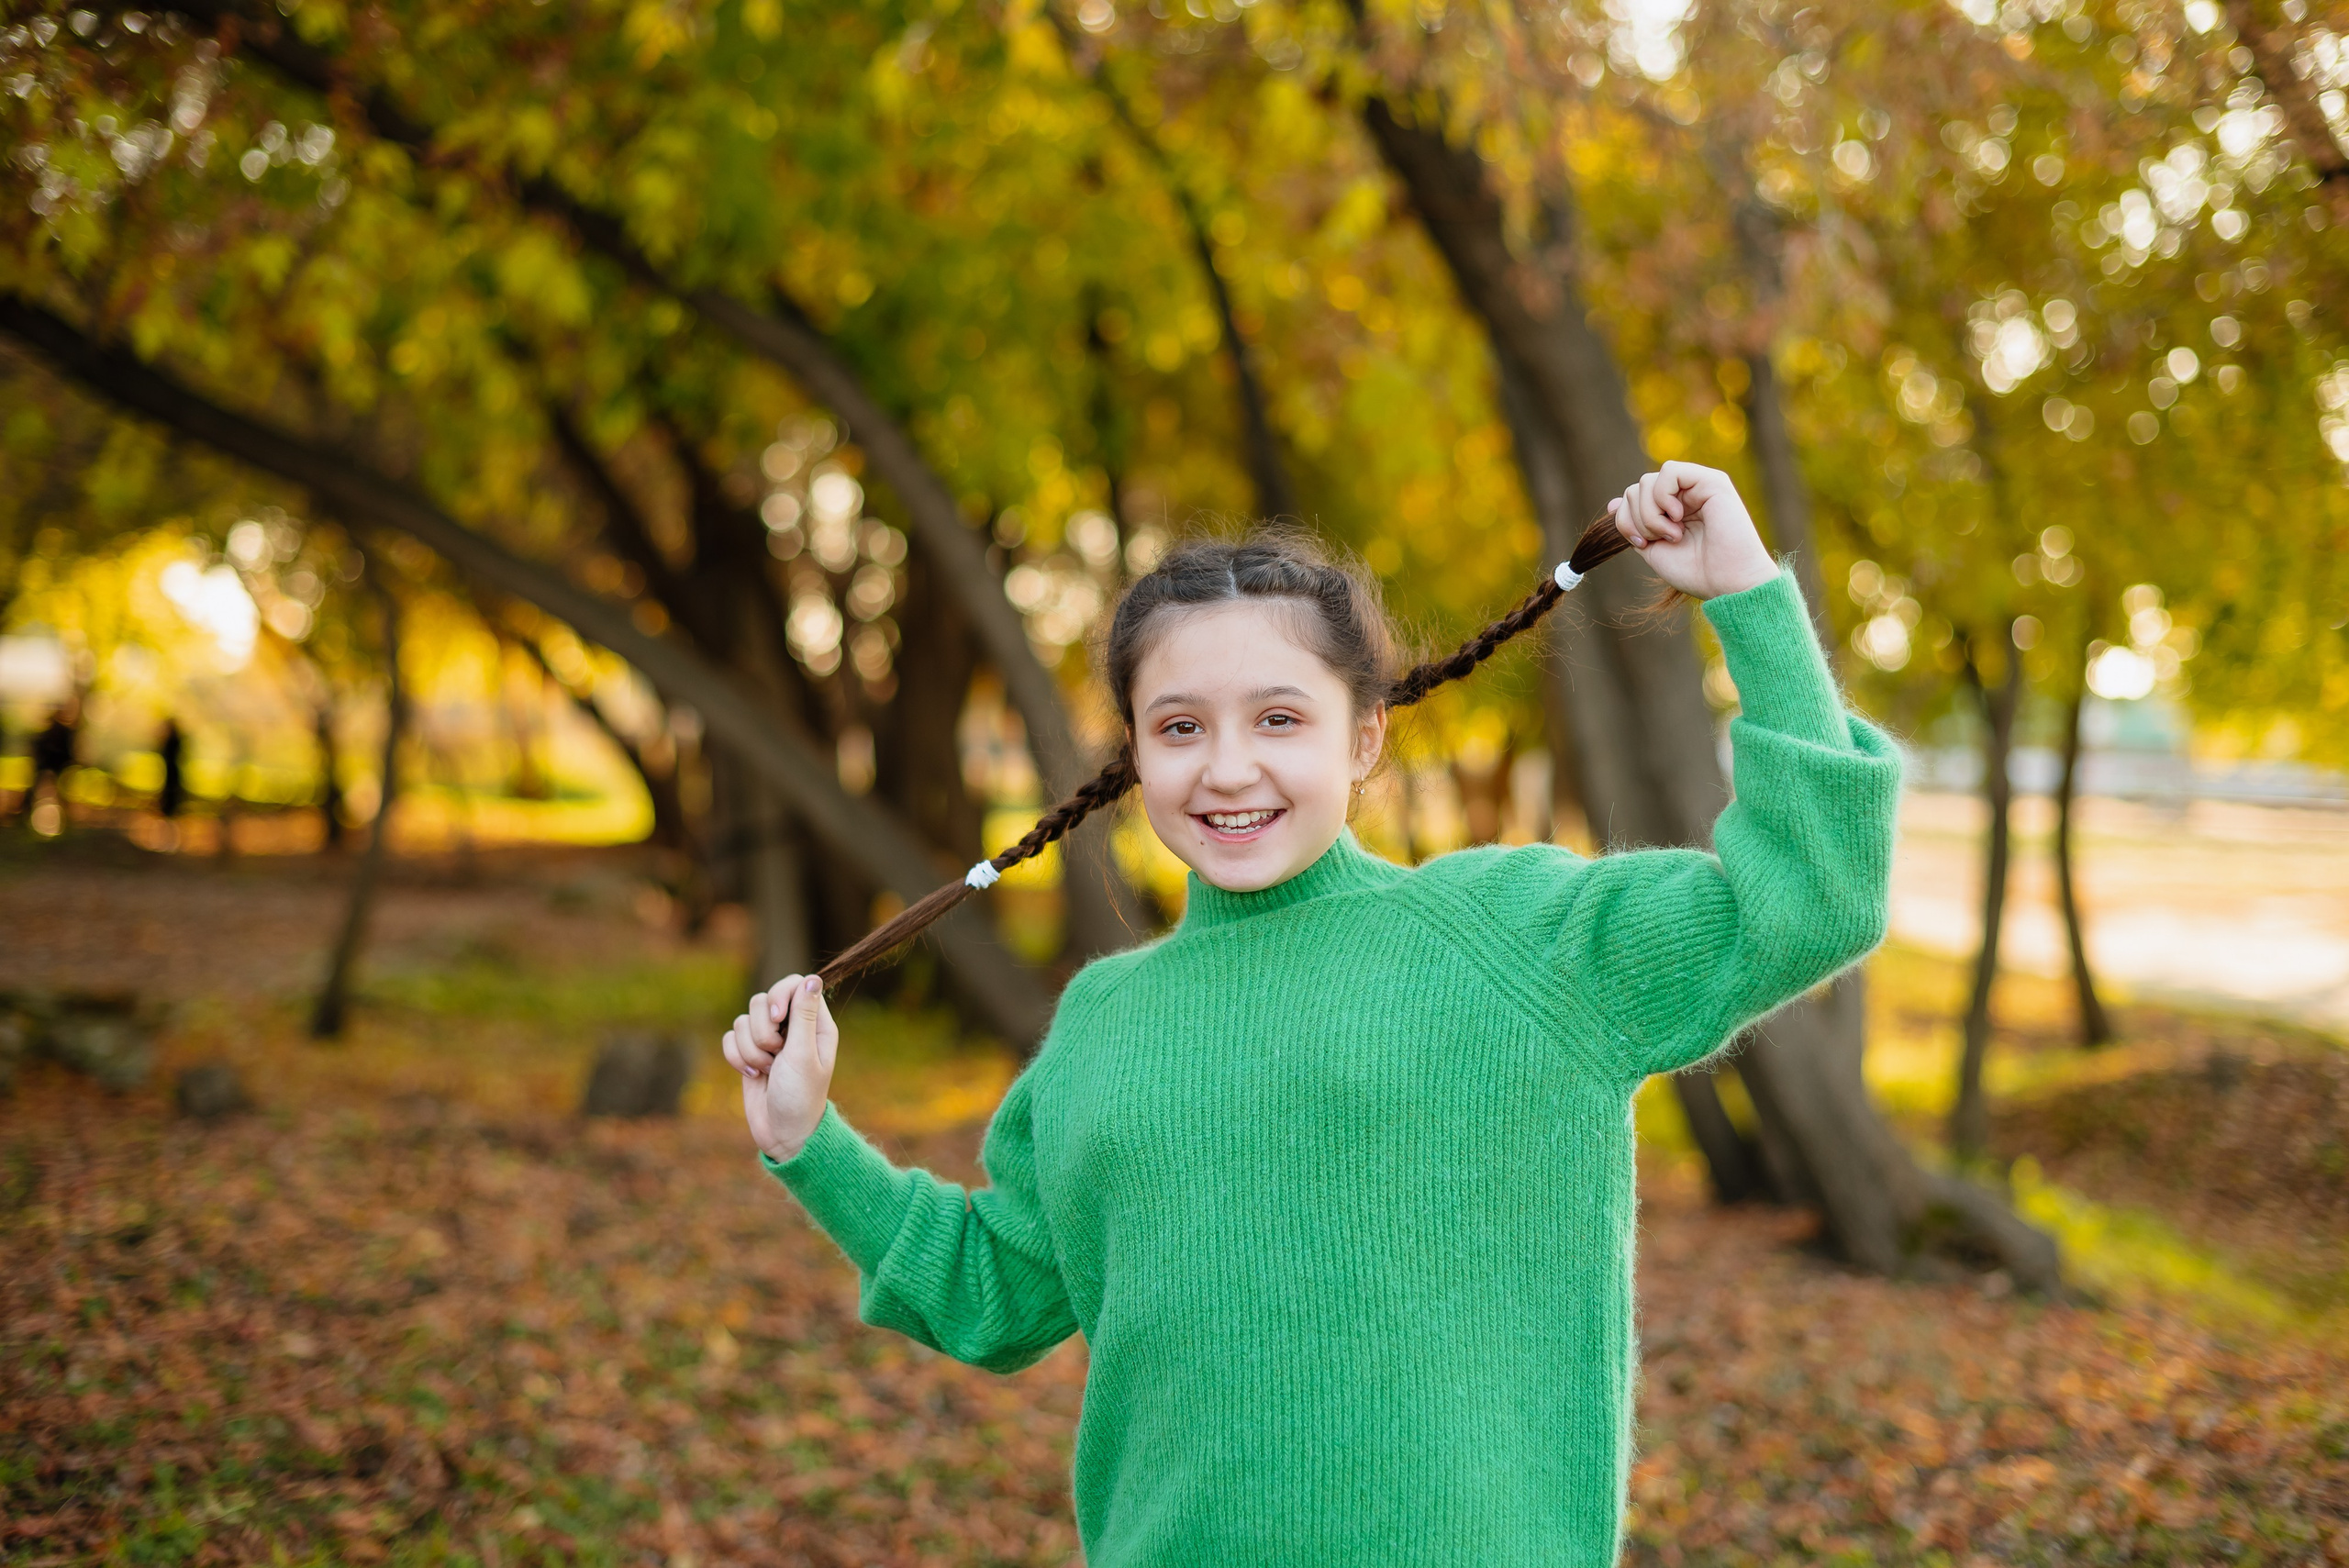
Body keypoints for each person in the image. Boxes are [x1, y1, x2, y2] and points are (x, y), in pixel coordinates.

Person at [721, 463, 1901, 1566]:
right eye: (1181, 726)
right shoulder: (1105, 1022)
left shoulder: (1514, 939)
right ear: (1133, 752)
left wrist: (1746, 592)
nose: (1228, 768)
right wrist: (805, 1141)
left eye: (1278, 717)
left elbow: (1808, 897)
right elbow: (994, 1291)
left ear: (1367, 731)